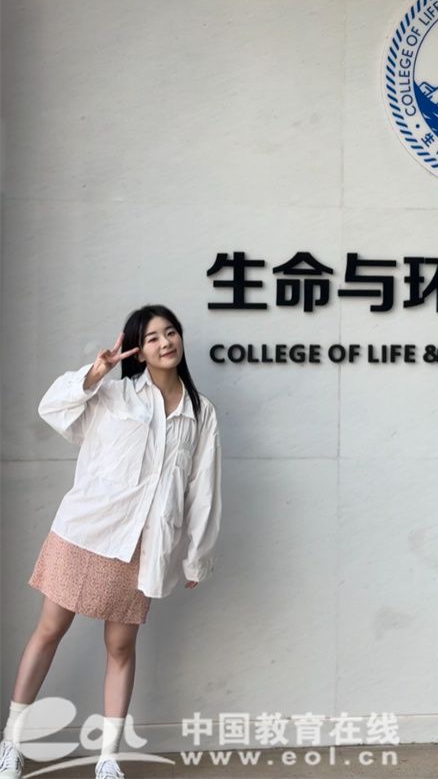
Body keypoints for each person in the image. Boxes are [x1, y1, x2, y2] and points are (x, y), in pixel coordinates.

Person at [0, 306, 222, 779]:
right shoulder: (114, 395)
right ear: (138, 350)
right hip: (85, 531)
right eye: (153, 337)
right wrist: (94, 373)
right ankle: (11, 743)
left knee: (121, 648)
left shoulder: (200, 412)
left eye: (171, 332)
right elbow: (52, 409)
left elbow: (203, 489)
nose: (165, 342)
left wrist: (196, 557)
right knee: (49, 631)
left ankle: (107, 757)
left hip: (142, 545)